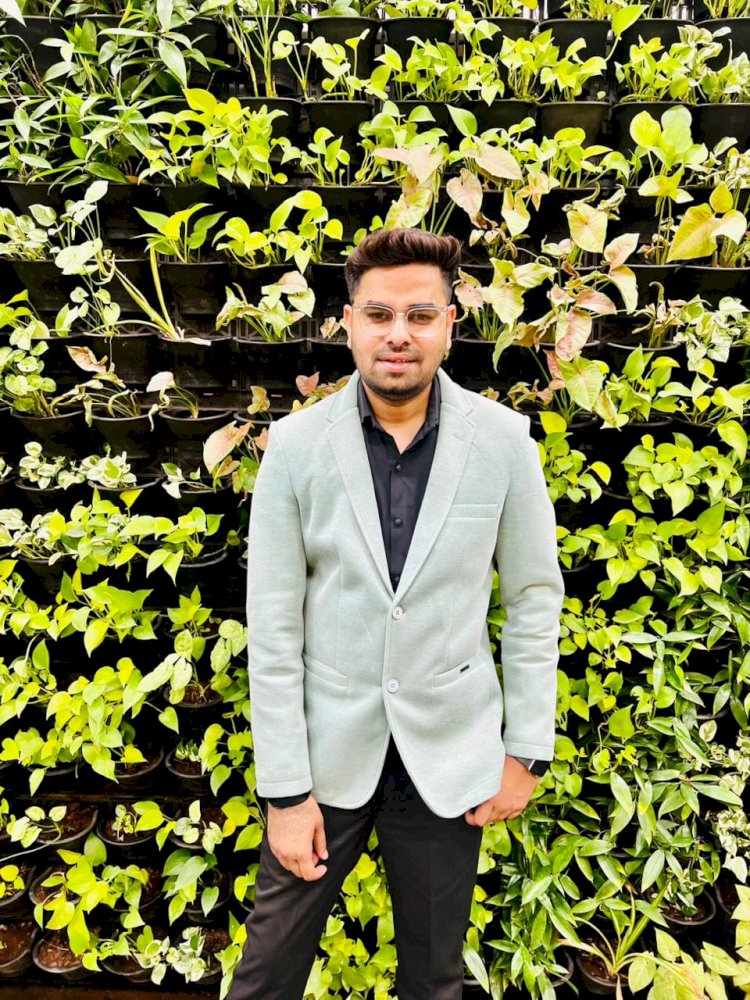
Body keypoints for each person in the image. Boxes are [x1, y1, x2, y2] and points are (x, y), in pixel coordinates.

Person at [228, 227, 565, 1000]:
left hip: (447, 757)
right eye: (379, 315)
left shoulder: (504, 443)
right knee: (266, 975)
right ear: (349, 323)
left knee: (434, 977)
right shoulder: (294, 447)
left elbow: (533, 600)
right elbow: (273, 629)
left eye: (420, 315)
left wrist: (527, 751)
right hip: (324, 759)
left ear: (450, 323)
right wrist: (284, 792)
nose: (398, 335)